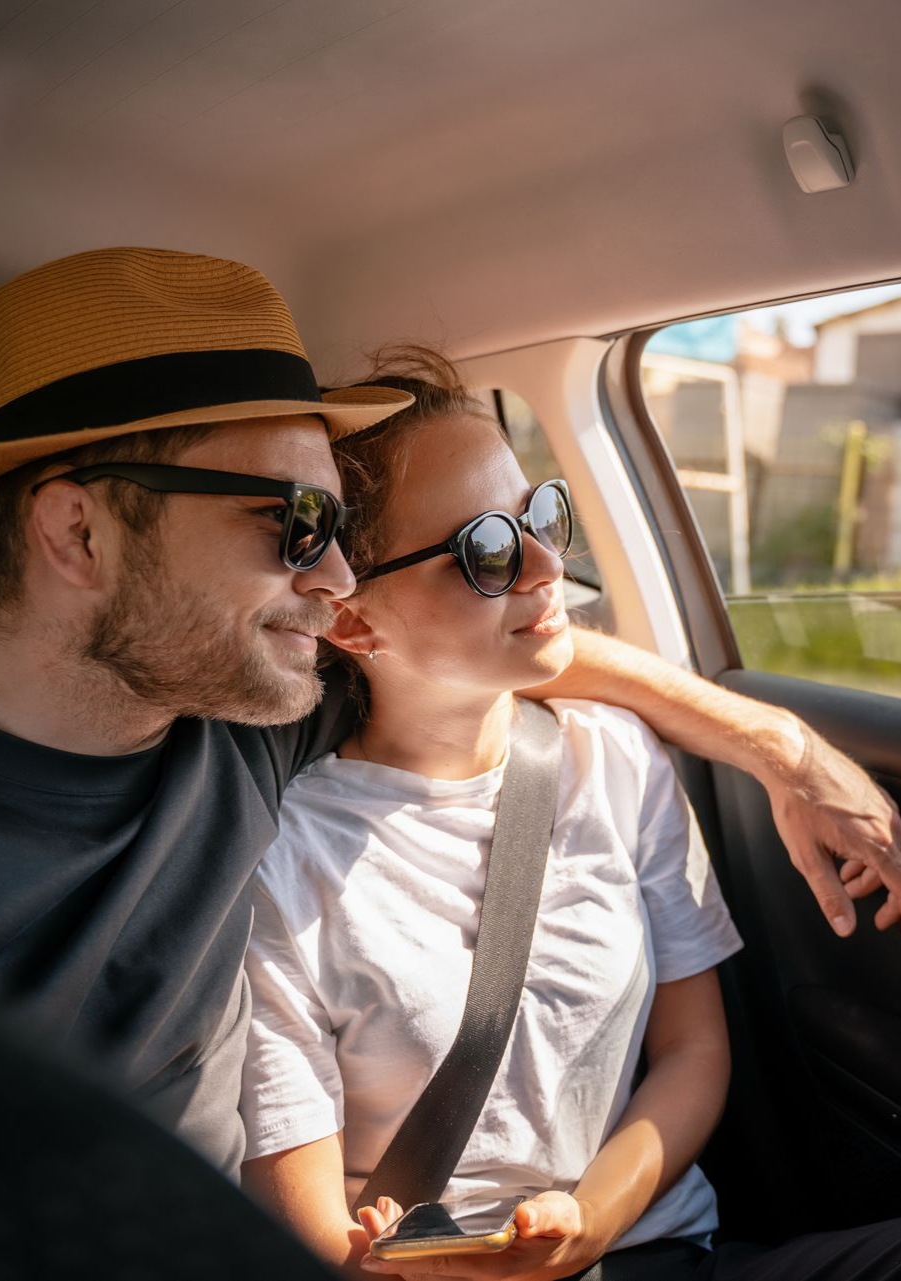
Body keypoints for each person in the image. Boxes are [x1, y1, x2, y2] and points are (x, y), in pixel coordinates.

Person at [0, 249, 897, 1181]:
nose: (337, 578)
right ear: (77, 532)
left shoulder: (240, 725)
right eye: (293, 525)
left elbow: (520, 656)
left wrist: (785, 748)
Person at [238, 350, 901, 1281]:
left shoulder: (615, 755)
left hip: (662, 1252)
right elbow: (308, 1228)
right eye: (487, 548)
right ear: (350, 621)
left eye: (539, 515)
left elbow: (691, 1048)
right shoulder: (282, 859)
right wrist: (397, 1256)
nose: (551, 566)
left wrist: (592, 1218)